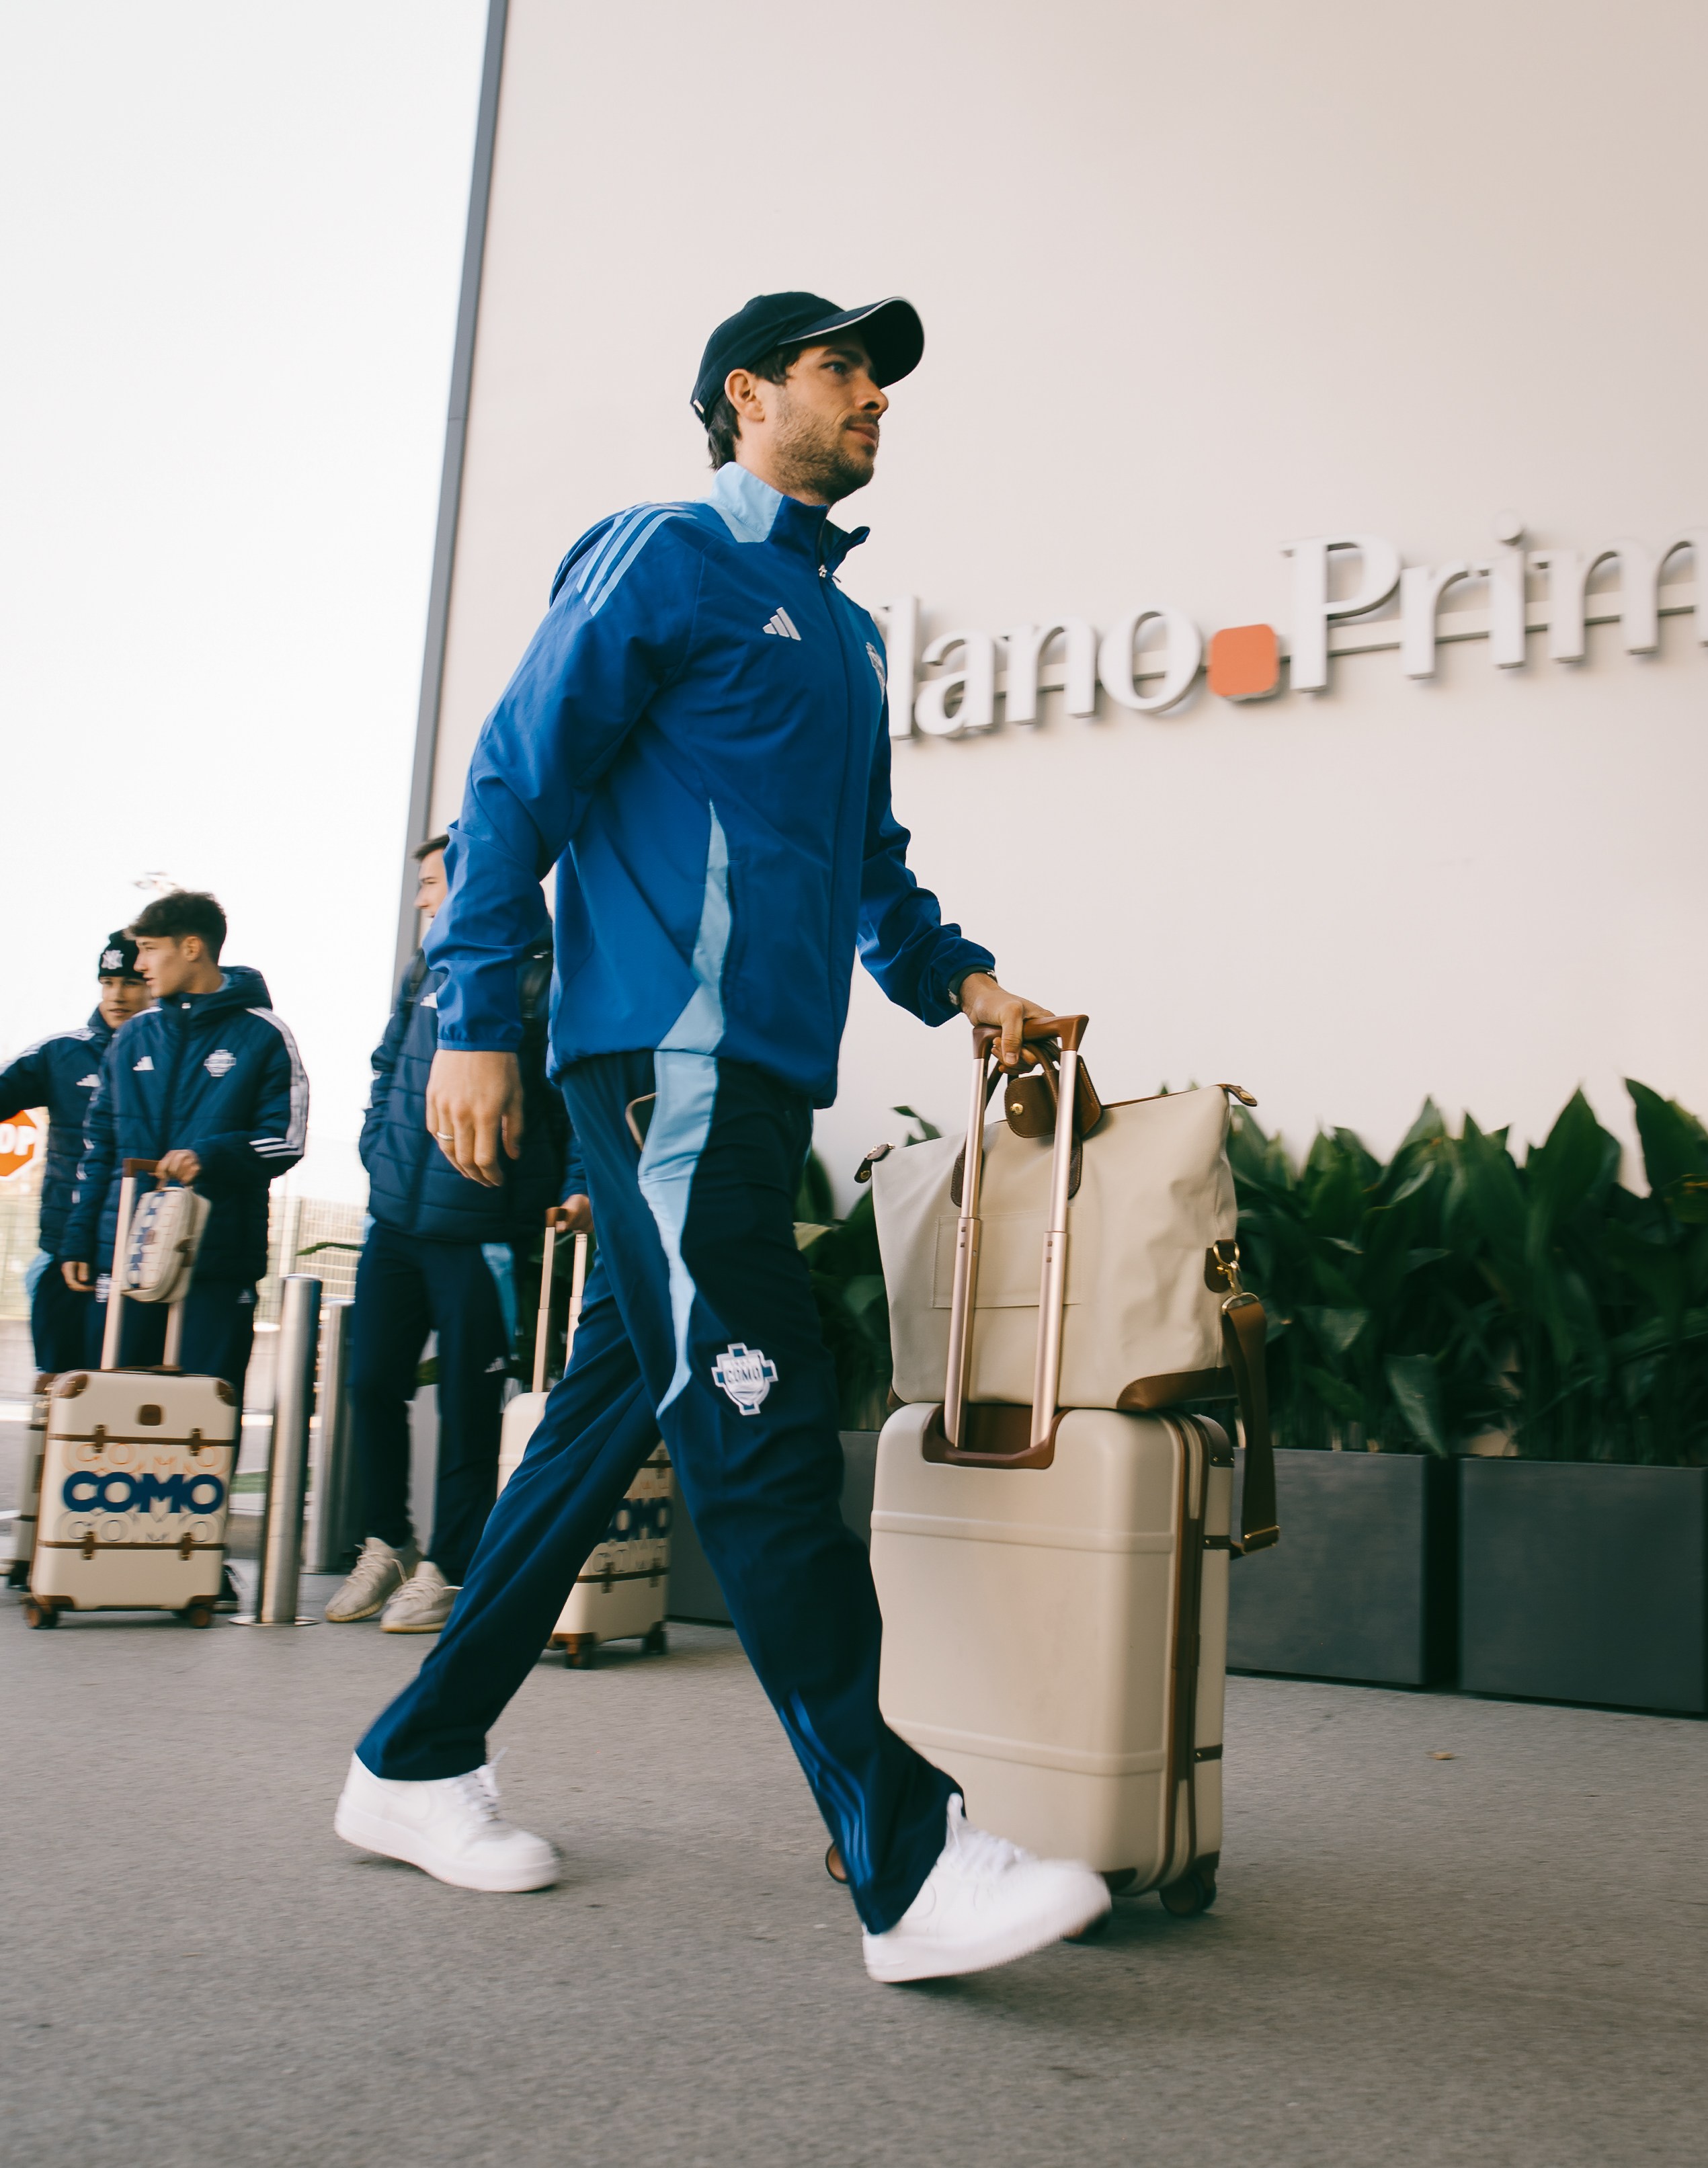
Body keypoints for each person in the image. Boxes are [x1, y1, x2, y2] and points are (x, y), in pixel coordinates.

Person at [334, 291, 1109, 1983]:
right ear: (746, 393)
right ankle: (909, 1855)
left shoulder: (840, 630)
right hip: (662, 1064)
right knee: (763, 1412)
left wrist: (963, 982)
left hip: (754, 1076)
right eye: (842, 367)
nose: (873, 394)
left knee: (598, 1426)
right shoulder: (665, 553)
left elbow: (866, 860)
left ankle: (412, 1759)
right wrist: (474, 1017)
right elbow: (516, 773)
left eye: (880, 375)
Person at [323, 834, 585, 1635]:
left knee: (471, 1405)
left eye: (431, 881)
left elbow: (576, 1091)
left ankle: (450, 1565)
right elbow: (386, 1065)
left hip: (484, 1231)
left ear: (477, 880)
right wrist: (377, 1149)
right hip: (396, 1223)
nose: (420, 898)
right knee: (371, 1384)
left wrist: (576, 1186)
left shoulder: (549, 973)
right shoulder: (425, 969)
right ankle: (386, 1543)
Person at [60, 889, 307, 1400]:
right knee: (114, 1410)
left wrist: (210, 1156)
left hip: (215, 1263)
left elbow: (285, 1140)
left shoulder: (264, 1034)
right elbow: (99, 1147)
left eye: (150, 949)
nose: (140, 964)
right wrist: (80, 1240)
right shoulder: (133, 1036)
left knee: (202, 1414)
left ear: (192, 947)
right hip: (124, 1259)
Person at [0, 932, 151, 1379]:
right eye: (107, 982)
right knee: (59, 1389)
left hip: (142, 1256)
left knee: (126, 1391)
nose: (117, 995)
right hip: (64, 1251)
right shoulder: (61, 1052)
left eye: (130, 982)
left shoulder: (173, 1059)